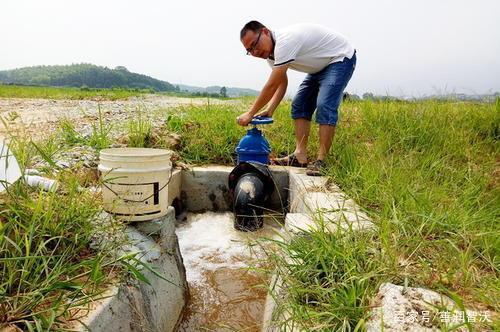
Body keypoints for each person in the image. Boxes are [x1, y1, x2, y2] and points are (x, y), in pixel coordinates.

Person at [237, 21, 356, 176]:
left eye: (254, 44)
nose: (254, 52)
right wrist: (270, 109)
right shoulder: (271, 56)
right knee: (300, 104)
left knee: (324, 104)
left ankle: (322, 161)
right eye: (249, 50)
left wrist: (251, 113)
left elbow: (271, 85)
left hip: (340, 58)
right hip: (319, 67)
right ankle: (300, 156)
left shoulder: (285, 42)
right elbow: (281, 83)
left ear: (265, 32)